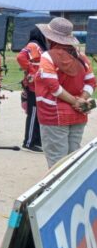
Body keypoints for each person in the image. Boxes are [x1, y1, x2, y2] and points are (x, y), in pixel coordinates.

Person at [34, 18, 95, 168]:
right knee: (73, 159)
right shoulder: (81, 57)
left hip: (54, 114)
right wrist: (81, 100)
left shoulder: (48, 56)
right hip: (79, 113)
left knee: (57, 162)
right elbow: (91, 82)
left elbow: (53, 87)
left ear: (49, 37)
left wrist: (75, 101)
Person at [16, 27, 47, 153]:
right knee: (33, 113)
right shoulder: (33, 45)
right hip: (34, 86)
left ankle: (36, 140)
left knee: (38, 114)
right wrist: (32, 71)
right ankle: (28, 142)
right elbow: (20, 57)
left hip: (39, 85)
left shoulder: (39, 46)